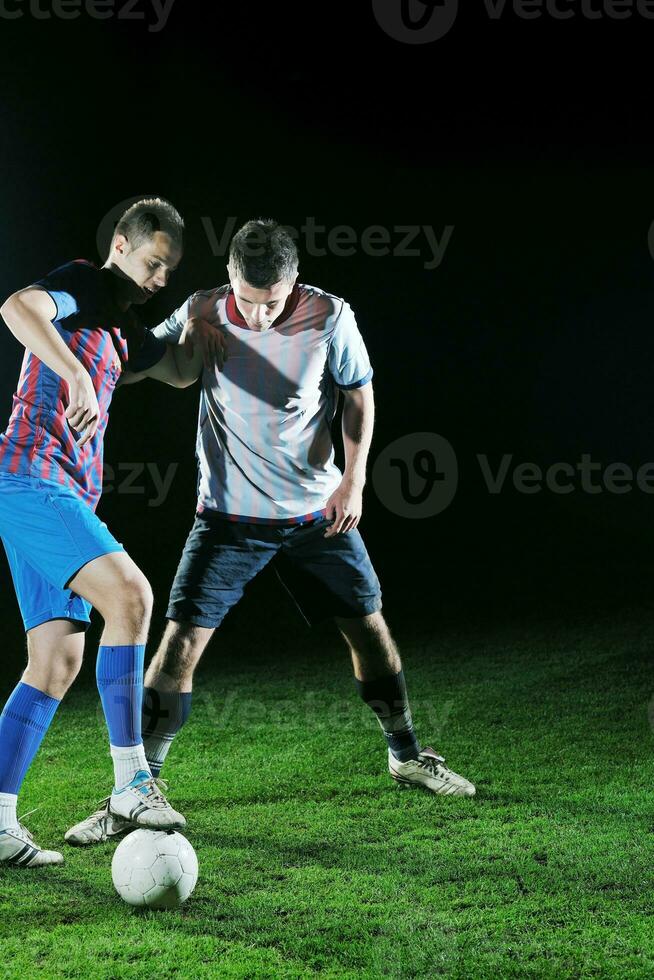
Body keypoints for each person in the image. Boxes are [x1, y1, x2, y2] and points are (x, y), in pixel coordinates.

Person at [66, 218, 475, 846]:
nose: (259, 317)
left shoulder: (331, 318)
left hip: (318, 514)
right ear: (230, 277)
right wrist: (74, 349)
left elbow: (359, 395)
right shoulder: (202, 309)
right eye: (249, 302)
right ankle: (135, 790)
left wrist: (354, 482)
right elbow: (139, 353)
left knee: (370, 629)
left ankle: (406, 754)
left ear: (295, 283)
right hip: (227, 521)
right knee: (177, 649)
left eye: (274, 303)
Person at [0, 198, 208, 867]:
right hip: (30, 480)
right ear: (122, 244)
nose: (158, 279)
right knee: (132, 597)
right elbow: (18, 308)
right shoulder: (84, 285)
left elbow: (178, 371)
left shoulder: (124, 330)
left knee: (55, 663)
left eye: (167, 272)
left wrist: (222, 323)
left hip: (57, 493)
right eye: (153, 262)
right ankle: (131, 783)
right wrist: (75, 374)